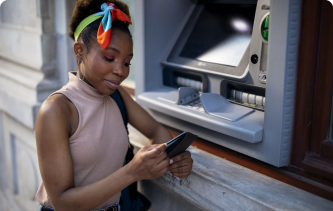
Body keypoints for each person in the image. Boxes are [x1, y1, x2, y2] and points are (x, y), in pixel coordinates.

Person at [35, 0, 194, 210]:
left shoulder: (117, 95)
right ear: (79, 51)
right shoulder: (57, 110)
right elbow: (62, 203)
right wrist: (132, 172)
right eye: (110, 58)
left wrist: (174, 159)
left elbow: (156, 129)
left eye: (127, 62)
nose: (121, 71)